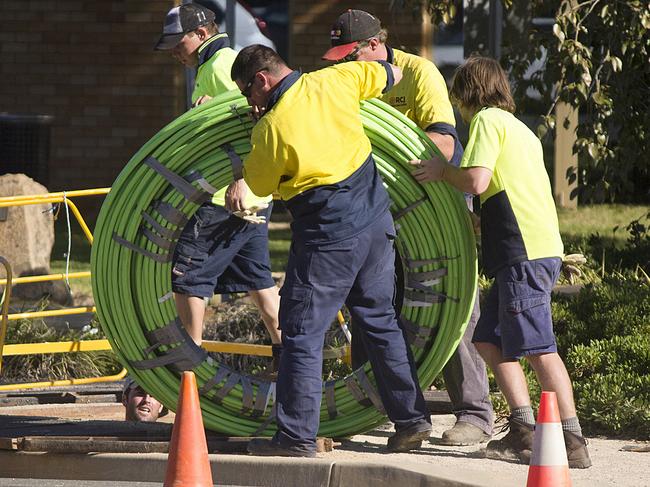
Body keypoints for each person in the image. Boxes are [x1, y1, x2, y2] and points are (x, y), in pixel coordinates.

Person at [231, 45, 432, 457]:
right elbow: (390, 74)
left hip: (328, 235)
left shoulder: (271, 128)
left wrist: (241, 170)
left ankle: (295, 438)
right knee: (379, 320)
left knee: (303, 333)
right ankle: (411, 420)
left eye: (245, 92)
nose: (247, 102)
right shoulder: (337, 79)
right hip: (376, 223)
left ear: (262, 80)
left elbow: (260, 187)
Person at [322, 9, 493, 446]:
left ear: (376, 47)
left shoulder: (419, 74)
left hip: (430, 201)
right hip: (372, 203)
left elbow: (443, 143)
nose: (342, 66)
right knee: (371, 298)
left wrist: (384, 162)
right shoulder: (347, 81)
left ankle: (473, 413)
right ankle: (375, 405)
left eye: (349, 56)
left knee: (450, 301)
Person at [410, 56, 592, 468]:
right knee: (489, 339)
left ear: (466, 93)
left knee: (539, 348)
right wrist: (478, 221)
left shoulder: (487, 122)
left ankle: (572, 438)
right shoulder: (520, 128)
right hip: (528, 247)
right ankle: (524, 430)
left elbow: (475, 179)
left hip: (522, 253)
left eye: (457, 96)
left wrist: (441, 171)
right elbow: (500, 188)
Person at [154, 3, 282, 369]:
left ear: (203, 33)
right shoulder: (212, 66)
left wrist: (240, 179)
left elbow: (251, 123)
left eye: (180, 44)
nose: (177, 53)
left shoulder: (223, 64)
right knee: (258, 280)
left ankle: (188, 363)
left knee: (188, 273)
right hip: (251, 198)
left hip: (227, 197)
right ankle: (290, 355)